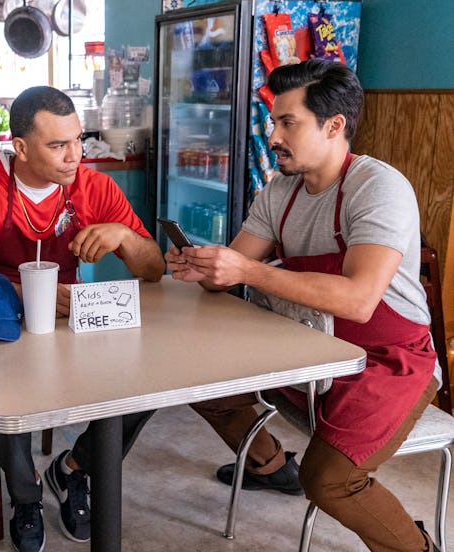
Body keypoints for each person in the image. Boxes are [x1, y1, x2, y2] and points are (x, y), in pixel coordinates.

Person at [167, 59, 440, 552]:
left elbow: (359, 301)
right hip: (305, 349)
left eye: (287, 122)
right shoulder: (280, 192)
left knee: (331, 481)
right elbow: (234, 269)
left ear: (334, 125)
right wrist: (205, 267)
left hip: (387, 363)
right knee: (201, 386)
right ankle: (271, 468)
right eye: (273, 121)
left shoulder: (379, 188)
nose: (273, 136)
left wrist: (247, 271)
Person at [0, 85, 164, 552]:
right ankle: (26, 497)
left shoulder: (95, 186)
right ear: (19, 147)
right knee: (1, 401)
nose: (74, 155)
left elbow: (154, 269)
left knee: (149, 383)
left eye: (78, 140)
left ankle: (75, 468)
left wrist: (123, 234)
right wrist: (34, 295)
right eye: (58, 145)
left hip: (72, 318)